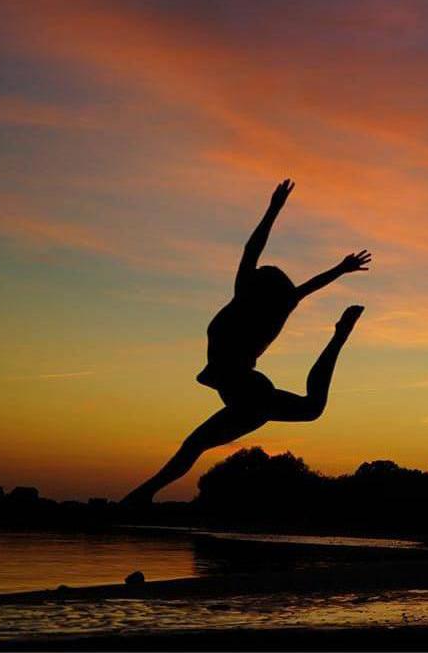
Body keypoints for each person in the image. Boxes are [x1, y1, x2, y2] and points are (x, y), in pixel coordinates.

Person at [123, 179, 370, 504]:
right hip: (250, 395)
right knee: (311, 408)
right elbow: (302, 282)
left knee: (196, 444)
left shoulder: (252, 300)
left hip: (245, 390)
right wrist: (340, 268)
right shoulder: (273, 305)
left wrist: (274, 209)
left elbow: (252, 251)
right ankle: (338, 338)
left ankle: (140, 497)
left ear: (260, 288)